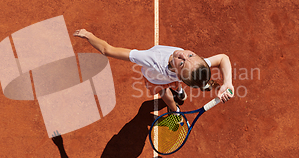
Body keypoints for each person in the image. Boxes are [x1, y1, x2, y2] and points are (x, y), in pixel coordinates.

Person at [73, 29, 234, 112]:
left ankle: (175, 111)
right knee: (174, 88)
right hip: (176, 79)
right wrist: (227, 83)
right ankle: (179, 93)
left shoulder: (152, 58)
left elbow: (107, 50)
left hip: (154, 80)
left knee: (165, 94)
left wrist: (89, 35)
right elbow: (222, 58)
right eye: (190, 54)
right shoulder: (193, 68)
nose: (182, 54)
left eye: (182, 63)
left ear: (180, 73)